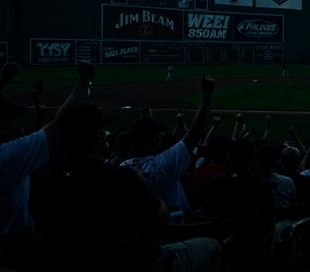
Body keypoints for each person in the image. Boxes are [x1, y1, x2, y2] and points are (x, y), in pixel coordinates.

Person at [29, 102, 222, 272]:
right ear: (97, 138)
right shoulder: (122, 176)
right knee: (213, 246)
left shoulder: (41, 180)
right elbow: (161, 221)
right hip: (129, 262)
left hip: (63, 262)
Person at [0, 62, 94, 236]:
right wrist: (84, 80)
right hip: (6, 249)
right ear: (1, 126)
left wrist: (2, 81)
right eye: (11, 121)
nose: (16, 125)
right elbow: (59, 123)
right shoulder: (7, 157)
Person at [120, 75, 215, 213]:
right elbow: (195, 132)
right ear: (154, 142)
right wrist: (207, 95)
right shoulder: (163, 165)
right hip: (172, 222)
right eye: (157, 136)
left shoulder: (123, 168)